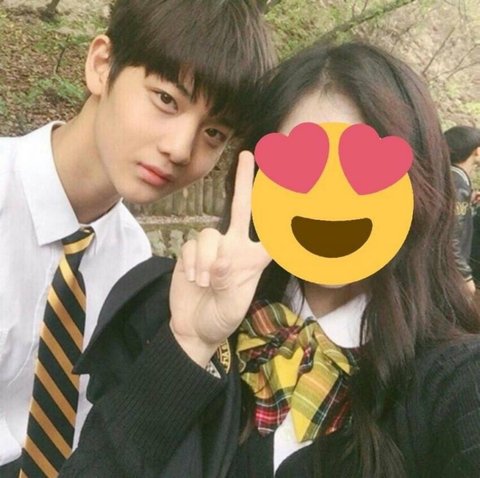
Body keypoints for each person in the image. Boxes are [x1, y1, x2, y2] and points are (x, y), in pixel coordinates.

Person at [61, 42, 480, 477]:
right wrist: (189, 346)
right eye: (302, 167)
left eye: (364, 170)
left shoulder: (456, 378)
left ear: (419, 186)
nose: (331, 198)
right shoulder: (167, 311)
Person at [0, 0, 275, 475]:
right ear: (101, 66)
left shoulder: (133, 262)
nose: (180, 148)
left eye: (213, 132)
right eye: (166, 99)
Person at [444, 125, 480, 295]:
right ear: (477, 151)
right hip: (451, 274)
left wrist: (468, 200)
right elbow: (451, 236)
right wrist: (465, 276)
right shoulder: (459, 186)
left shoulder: (449, 177)